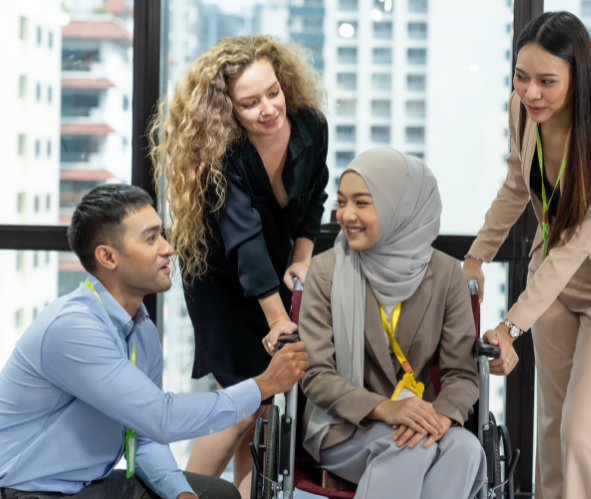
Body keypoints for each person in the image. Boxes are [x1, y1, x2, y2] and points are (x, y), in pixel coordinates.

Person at [0, 184, 308, 499]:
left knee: (217, 494)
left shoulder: (141, 331)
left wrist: (180, 494)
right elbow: (161, 418)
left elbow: (145, 436)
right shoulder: (73, 328)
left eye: (162, 234)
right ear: (107, 256)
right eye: (150, 238)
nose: (168, 248)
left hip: (88, 485)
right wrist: (264, 385)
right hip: (25, 490)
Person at [463, 12, 591, 499]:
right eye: (522, 77)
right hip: (553, 290)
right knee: (552, 435)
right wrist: (476, 256)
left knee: (581, 437)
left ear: (580, 77)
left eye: (547, 82)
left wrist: (511, 326)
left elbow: (582, 239)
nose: (531, 93)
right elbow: (517, 185)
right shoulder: (523, 111)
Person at [148, 35, 328, 495]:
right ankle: (181, 493)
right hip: (223, 281)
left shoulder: (310, 127)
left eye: (274, 92)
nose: (268, 109)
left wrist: (303, 255)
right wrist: (277, 319)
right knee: (242, 403)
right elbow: (242, 241)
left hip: (275, 267)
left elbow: (316, 197)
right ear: (226, 109)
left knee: (267, 405)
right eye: (249, 103)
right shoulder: (224, 155)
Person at [298, 148, 487, 499]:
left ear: (401, 208)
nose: (346, 215)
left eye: (362, 203)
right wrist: (387, 409)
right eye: (341, 202)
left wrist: (441, 418)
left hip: (421, 419)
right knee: (412, 448)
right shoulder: (326, 273)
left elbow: (462, 374)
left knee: (466, 450)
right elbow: (316, 375)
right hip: (345, 426)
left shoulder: (447, 275)